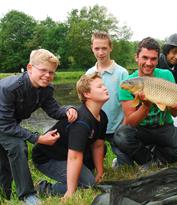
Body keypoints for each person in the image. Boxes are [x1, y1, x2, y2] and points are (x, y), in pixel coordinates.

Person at [0, 49, 78, 205]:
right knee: (17, 146)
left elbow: (54, 110)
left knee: (4, 159)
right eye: (43, 70)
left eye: (51, 72)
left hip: (7, 124)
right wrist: (37, 138)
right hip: (3, 123)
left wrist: (70, 109)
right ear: (29, 68)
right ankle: (27, 196)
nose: (48, 75)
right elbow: (5, 124)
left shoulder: (45, 90)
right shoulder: (9, 88)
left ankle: (5, 194)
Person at [113, 37, 177, 167]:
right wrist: (146, 105)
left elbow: (174, 114)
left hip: (164, 126)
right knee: (121, 136)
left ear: (158, 60)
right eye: (145, 58)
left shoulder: (167, 75)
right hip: (141, 129)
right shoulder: (129, 83)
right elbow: (130, 122)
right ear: (137, 57)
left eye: (153, 59)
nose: (149, 63)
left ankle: (157, 157)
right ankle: (148, 160)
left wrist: (176, 107)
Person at [32, 73, 109, 198]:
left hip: (69, 154)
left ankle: (82, 175)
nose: (105, 88)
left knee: (102, 150)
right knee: (88, 184)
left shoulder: (103, 116)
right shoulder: (81, 121)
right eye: (100, 86)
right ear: (87, 94)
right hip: (48, 157)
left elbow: (98, 145)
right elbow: (74, 157)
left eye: (104, 85)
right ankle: (43, 188)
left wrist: (100, 173)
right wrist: (70, 192)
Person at [86, 31, 132, 168]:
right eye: (97, 48)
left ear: (110, 48)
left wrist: (124, 126)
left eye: (104, 48)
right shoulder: (89, 74)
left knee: (126, 167)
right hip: (96, 128)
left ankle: (118, 161)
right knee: (90, 164)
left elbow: (126, 103)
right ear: (92, 48)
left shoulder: (122, 73)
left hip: (117, 127)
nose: (101, 52)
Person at [157, 33, 177, 129]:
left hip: (172, 103)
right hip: (155, 101)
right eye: (174, 52)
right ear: (167, 51)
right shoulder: (157, 61)